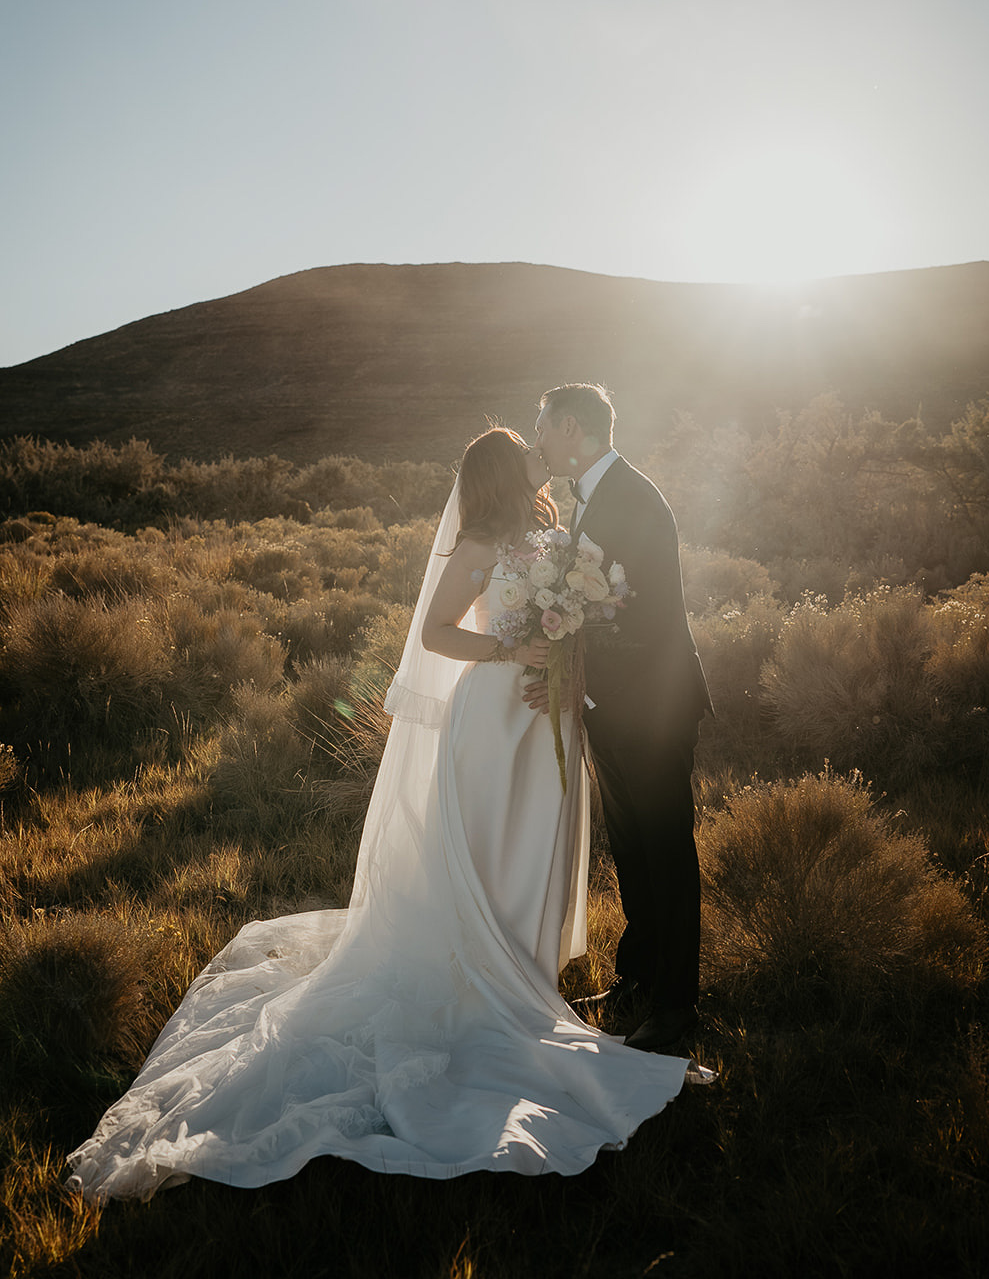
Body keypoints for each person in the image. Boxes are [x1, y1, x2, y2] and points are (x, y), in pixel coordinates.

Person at [66, 428, 693, 1202]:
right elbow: (435, 633)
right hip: (493, 720)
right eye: (527, 452)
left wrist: (560, 659)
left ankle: (526, 972)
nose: (541, 455)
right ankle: (489, 981)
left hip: (545, 719)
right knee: (491, 846)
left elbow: (575, 621)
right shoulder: (474, 548)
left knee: (542, 845)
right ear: (501, 473)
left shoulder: (554, 536)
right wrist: (514, 654)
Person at [530, 386, 711, 1053]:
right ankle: (637, 978)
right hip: (610, 707)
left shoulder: (632, 497)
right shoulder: (590, 496)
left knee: (665, 853)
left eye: (542, 426)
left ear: (570, 427)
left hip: (652, 708)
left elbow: (644, 612)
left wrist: (576, 659)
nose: (538, 439)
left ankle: (675, 1008)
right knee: (632, 852)